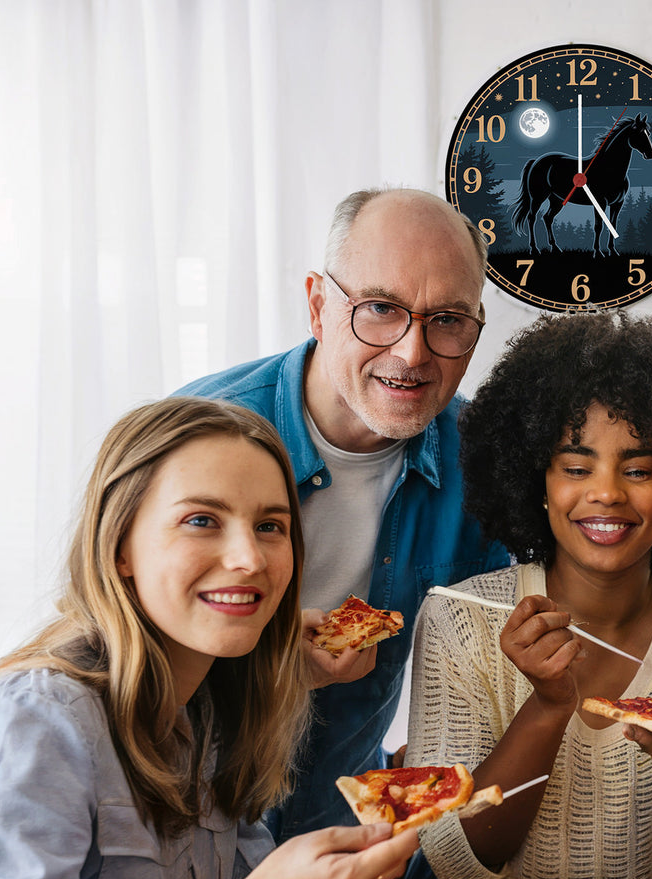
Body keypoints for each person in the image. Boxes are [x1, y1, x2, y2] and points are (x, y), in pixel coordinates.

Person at [0, 398, 418, 879]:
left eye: (271, 526)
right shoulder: (40, 720)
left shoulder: (214, 694)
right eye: (201, 520)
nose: (250, 558)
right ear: (120, 545)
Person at [179, 188, 508, 843]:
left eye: (447, 319)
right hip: (181, 839)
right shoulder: (191, 437)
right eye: (381, 309)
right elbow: (109, 663)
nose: (413, 353)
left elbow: (488, 675)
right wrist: (270, 664)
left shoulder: (488, 466)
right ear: (318, 304)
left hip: (344, 843)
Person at [403, 311, 652, 879]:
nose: (606, 492)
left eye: (640, 469)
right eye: (576, 467)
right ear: (537, 482)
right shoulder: (460, 619)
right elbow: (457, 863)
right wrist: (548, 705)